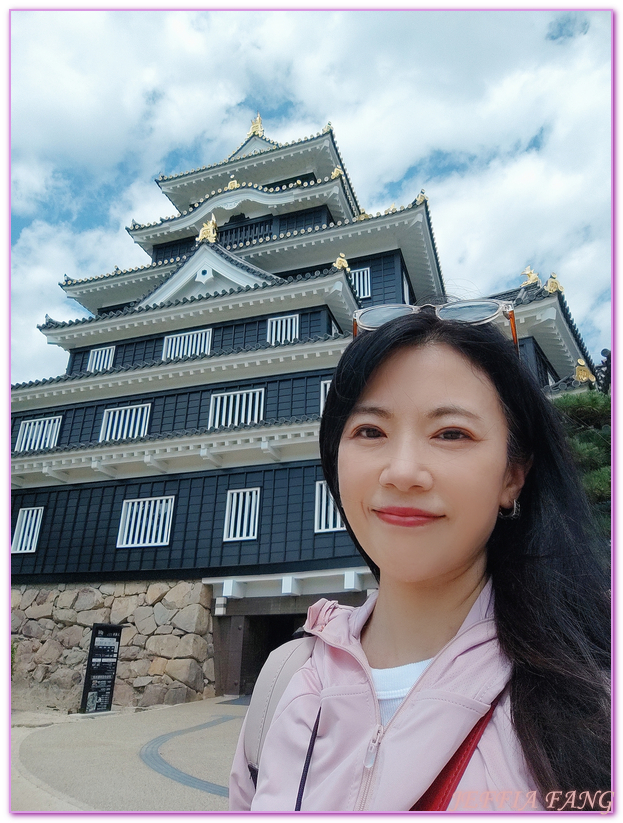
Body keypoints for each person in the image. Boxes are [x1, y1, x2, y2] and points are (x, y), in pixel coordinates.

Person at [229, 306, 610, 812]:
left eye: (451, 433)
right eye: (369, 431)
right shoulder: (286, 680)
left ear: (512, 477)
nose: (403, 471)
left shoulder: (596, 691)